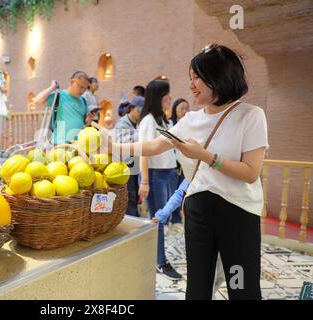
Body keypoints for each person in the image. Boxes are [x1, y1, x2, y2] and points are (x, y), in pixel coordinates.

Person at [111, 44, 268, 300]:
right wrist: (112, 146)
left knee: (242, 286)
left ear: (219, 77)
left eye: (198, 78)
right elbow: (154, 145)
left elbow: (251, 172)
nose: (192, 85)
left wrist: (206, 157)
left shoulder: (250, 115)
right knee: (197, 286)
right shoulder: (191, 120)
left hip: (237, 214)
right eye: (190, 78)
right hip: (198, 211)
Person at [138, 79, 181, 280]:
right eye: (166, 94)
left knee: (164, 218)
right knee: (158, 220)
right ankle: (160, 262)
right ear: (158, 97)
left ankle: (158, 258)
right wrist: (144, 181)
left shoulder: (162, 119)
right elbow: (143, 152)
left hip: (169, 172)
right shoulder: (148, 121)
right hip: (156, 175)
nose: (169, 98)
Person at [33, 71, 95, 145]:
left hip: (77, 145)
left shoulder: (83, 101)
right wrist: (52, 87)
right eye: (80, 86)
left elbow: (84, 123)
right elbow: (37, 100)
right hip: (60, 144)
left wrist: (89, 120)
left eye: (85, 88)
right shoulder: (59, 96)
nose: (82, 91)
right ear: (72, 82)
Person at [114, 96, 144, 217]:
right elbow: (120, 143)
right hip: (125, 165)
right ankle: (130, 219)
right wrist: (141, 135)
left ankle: (134, 215)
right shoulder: (122, 124)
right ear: (131, 108)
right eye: (139, 111)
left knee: (134, 194)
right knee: (129, 194)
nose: (141, 114)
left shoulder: (138, 124)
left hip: (135, 165)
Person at [169, 98, 190, 228]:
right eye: (182, 108)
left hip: (185, 164)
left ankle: (177, 219)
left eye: (187, 108)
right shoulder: (171, 124)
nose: (185, 111)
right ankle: (172, 218)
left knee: (182, 192)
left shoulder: (189, 125)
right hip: (173, 164)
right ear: (175, 111)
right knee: (173, 191)